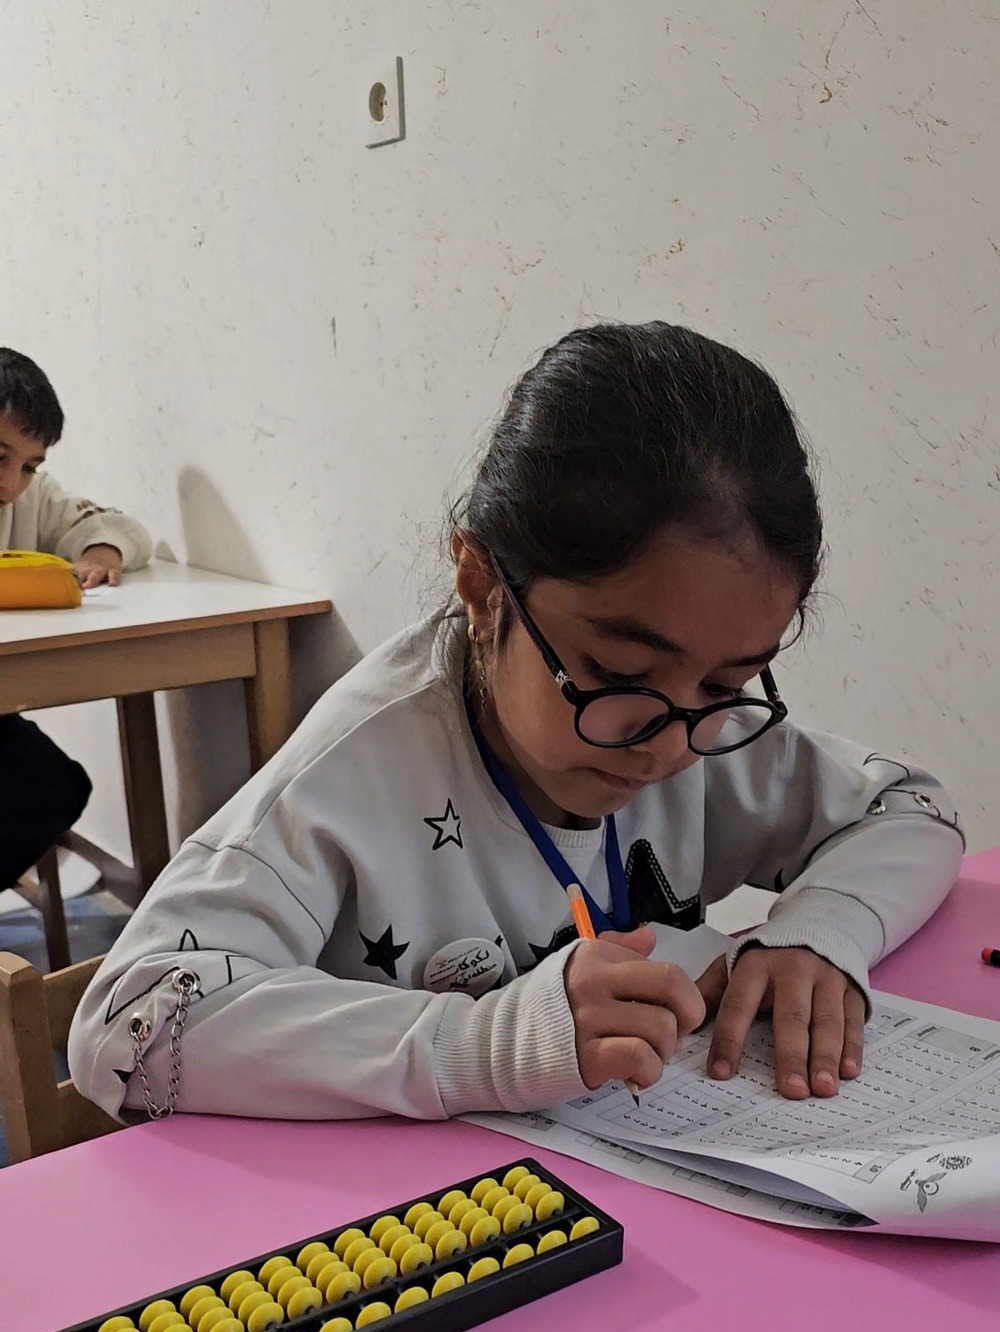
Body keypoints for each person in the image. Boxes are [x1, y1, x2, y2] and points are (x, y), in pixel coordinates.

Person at [68, 322, 962, 1126]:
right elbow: (123, 1031)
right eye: (618, 673)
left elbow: (912, 808)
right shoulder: (353, 782)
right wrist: (482, 1045)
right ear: (482, 586)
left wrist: (820, 931)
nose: (667, 745)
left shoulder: (697, 730)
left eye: (728, 681)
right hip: (398, 1225)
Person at [0, 348, 152, 889]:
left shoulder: (29, 499)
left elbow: (113, 524)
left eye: (30, 465)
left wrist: (101, 550)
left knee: (57, 787)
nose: (12, 483)